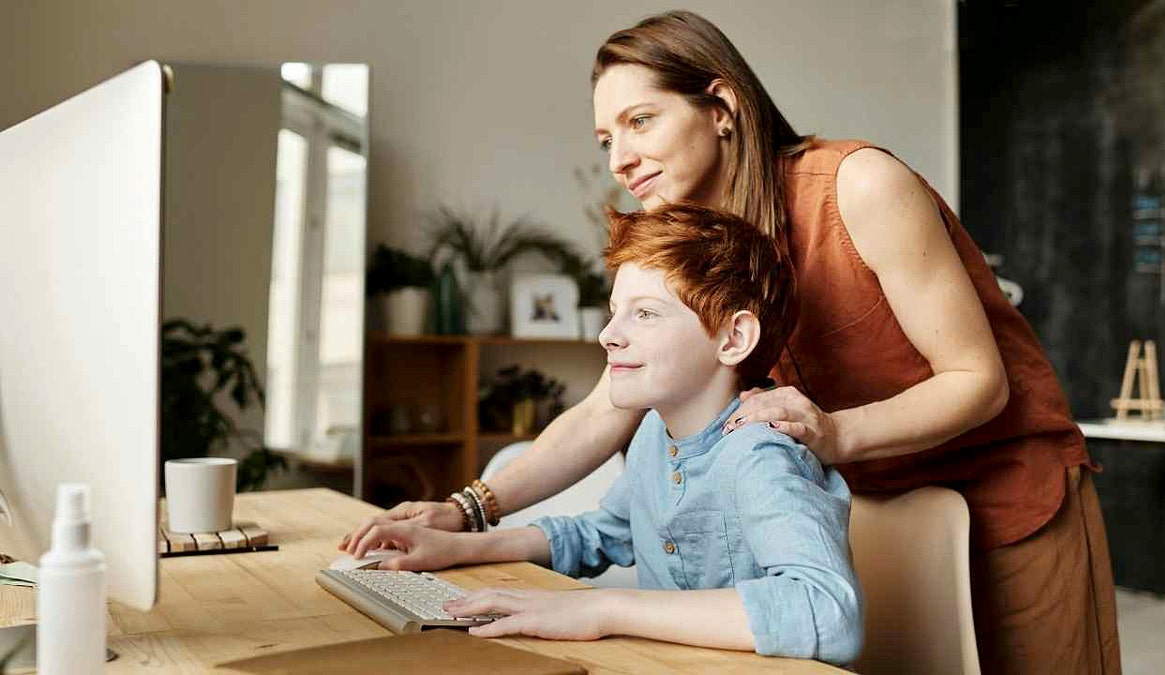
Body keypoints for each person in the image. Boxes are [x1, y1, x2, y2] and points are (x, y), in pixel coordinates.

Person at [344, 10, 1119, 674]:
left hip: (1009, 497)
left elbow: (978, 379)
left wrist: (834, 431)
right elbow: (604, 407)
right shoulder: (691, 243)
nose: (620, 158)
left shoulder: (858, 185)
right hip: (869, 505)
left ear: (722, 105)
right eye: (606, 136)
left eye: (641, 120)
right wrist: (465, 508)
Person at [348, 205, 863, 664]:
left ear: (733, 338)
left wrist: (604, 608)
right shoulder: (653, 436)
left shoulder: (761, 453)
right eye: (616, 310)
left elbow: (827, 611)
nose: (608, 334)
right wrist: (457, 547)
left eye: (644, 313)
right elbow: (602, 534)